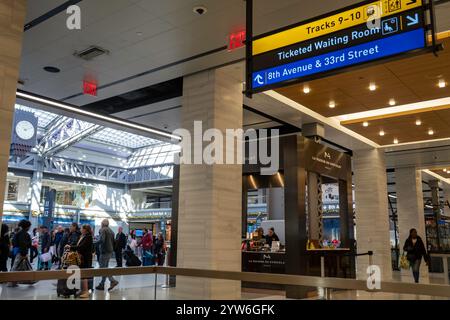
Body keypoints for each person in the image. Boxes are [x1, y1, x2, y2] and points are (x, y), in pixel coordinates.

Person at [69, 224, 94, 299]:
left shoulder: (88, 237)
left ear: (85, 230)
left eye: (82, 229)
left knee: (84, 275)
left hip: (85, 259)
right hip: (81, 258)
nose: (80, 230)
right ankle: (82, 290)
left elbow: (82, 247)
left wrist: (71, 247)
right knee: (81, 275)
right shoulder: (83, 236)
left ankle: (86, 291)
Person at [96, 219, 119, 291]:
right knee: (105, 267)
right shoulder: (111, 231)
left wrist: (94, 243)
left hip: (104, 251)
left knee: (102, 268)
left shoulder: (102, 230)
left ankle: (112, 281)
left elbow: (102, 240)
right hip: (110, 251)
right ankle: (102, 284)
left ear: (102, 224)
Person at [9, 220, 32, 286]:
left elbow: (14, 242)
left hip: (19, 251)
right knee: (16, 266)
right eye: (29, 226)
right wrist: (24, 254)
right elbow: (23, 244)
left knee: (18, 266)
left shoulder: (19, 233)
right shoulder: (24, 234)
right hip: (21, 253)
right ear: (27, 226)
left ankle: (14, 281)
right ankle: (11, 282)